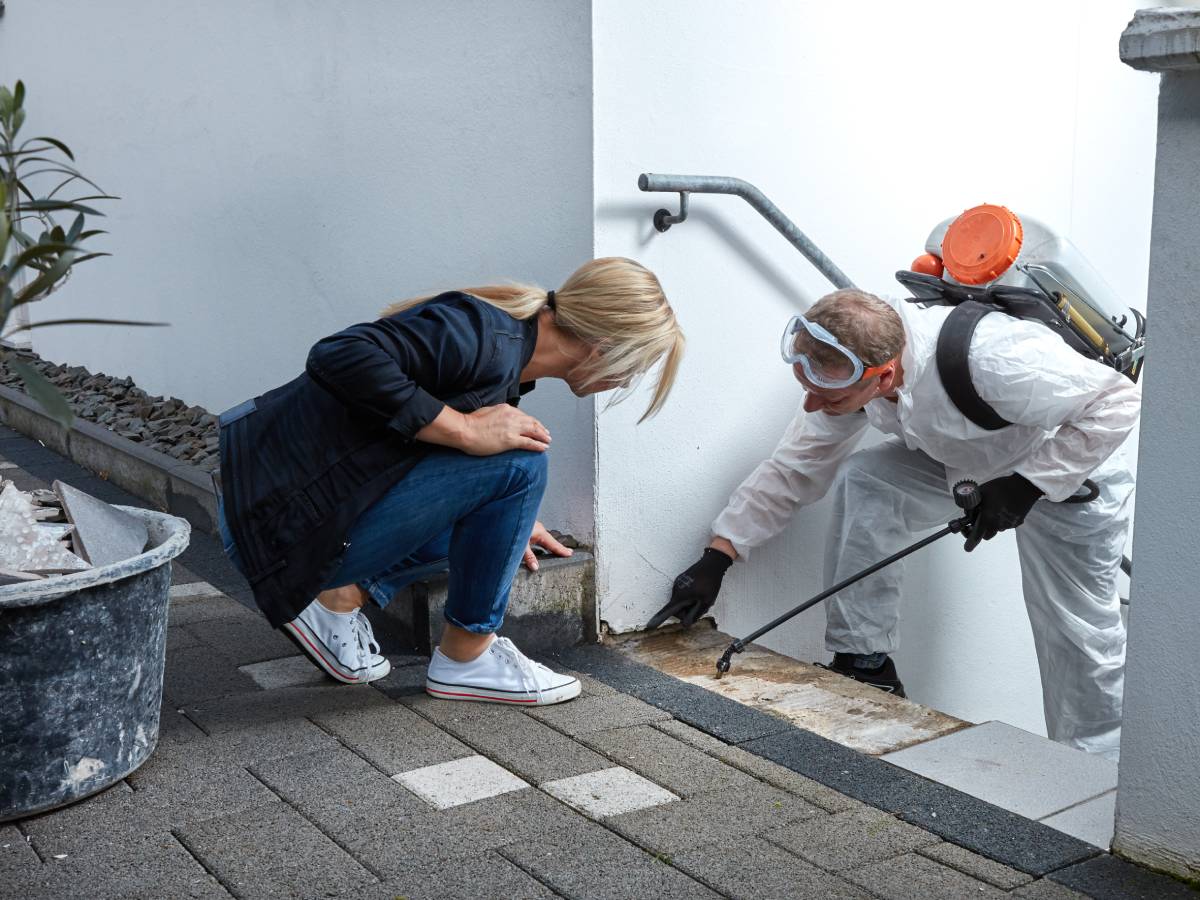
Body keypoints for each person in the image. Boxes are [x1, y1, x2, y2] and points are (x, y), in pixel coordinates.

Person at [650, 288, 1138, 759]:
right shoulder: (849, 371)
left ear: (883, 378)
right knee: (869, 480)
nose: (811, 406)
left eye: (825, 399)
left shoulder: (1000, 360)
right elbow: (794, 466)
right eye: (808, 391)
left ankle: (1097, 766)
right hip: (969, 461)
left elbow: (1118, 401)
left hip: (1075, 473)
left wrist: (1029, 484)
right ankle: (865, 663)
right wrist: (719, 555)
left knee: (1072, 626)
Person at [217, 257, 684, 706]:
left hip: (289, 515)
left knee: (508, 486)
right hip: (275, 525)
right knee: (523, 464)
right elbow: (338, 355)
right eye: (634, 366)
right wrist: (465, 430)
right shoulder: (478, 334)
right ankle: (467, 657)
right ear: (603, 345)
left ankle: (337, 599)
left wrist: (512, 520)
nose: (625, 382)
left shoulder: (507, 356)